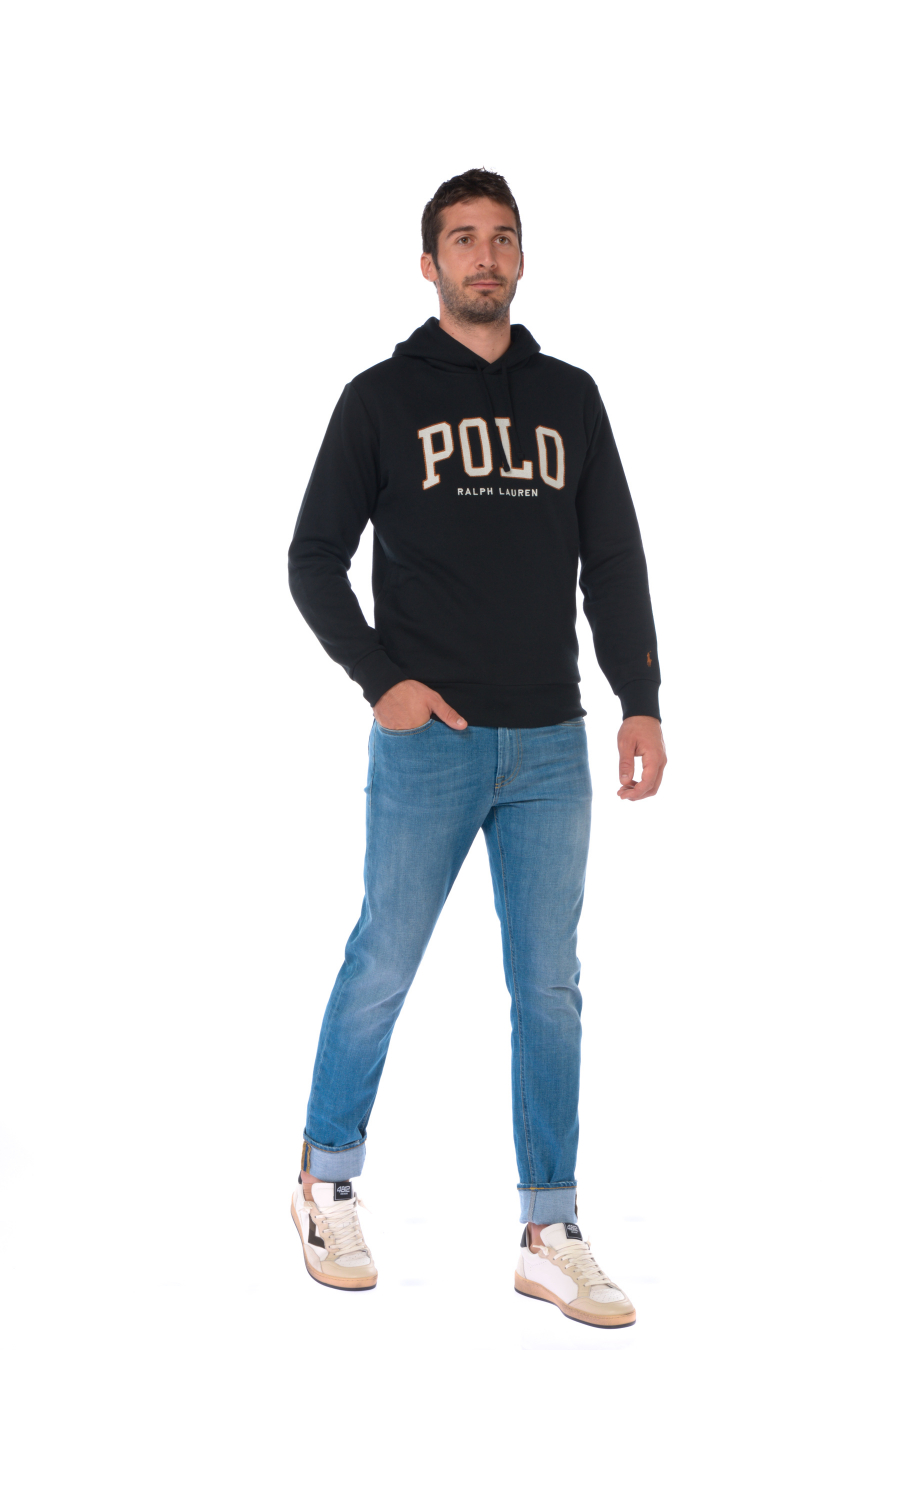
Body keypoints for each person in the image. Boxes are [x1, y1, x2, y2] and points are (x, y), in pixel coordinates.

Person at [286, 168, 665, 1327]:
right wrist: (382, 680)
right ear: (430, 264)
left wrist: (640, 699)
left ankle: (550, 1230)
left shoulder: (571, 398)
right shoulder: (379, 399)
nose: (484, 256)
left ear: (521, 258)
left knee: (550, 987)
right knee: (384, 962)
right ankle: (324, 1181)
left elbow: (614, 558)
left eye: (501, 238)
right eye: (462, 239)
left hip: (551, 739)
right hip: (431, 743)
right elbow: (313, 557)